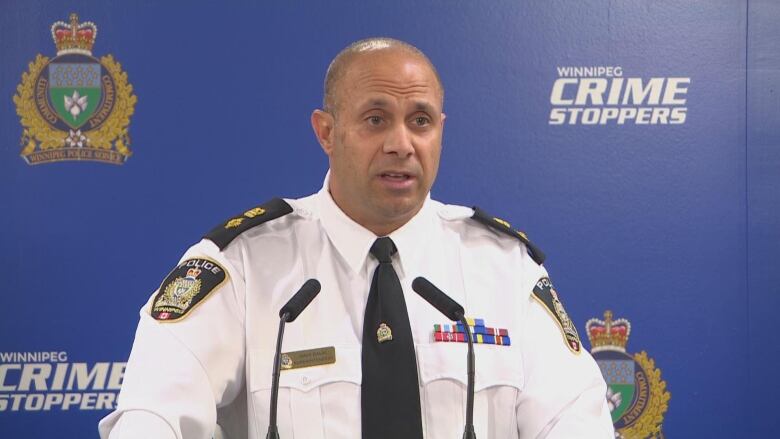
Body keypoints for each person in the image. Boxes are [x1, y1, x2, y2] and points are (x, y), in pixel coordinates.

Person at [99, 37, 614, 438]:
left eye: (420, 121)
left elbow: (575, 418)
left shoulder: (504, 266)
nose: (401, 144)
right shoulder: (240, 267)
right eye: (375, 119)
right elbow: (150, 414)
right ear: (326, 132)